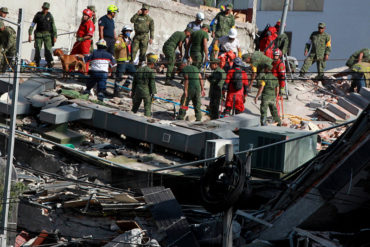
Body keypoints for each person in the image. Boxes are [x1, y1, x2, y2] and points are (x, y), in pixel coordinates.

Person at [28, 2, 57, 68]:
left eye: (46, 9)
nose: (45, 10)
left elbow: (53, 26)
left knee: (48, 49)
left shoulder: (50, 15)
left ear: (48, 9)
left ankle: (49, 63)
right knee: (38, 48)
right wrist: (30, 34)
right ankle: (37, 62)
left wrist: (55, 36)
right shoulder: (38, 15)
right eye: (44, 8)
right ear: (42, 7)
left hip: (47, 35)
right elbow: (33, 24)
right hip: (39, 34)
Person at [113, 25, 136, 96]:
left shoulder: (129, 39)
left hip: (128, 61)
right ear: (124, 31)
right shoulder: (119, 39)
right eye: (127, 31)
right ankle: (116, 92)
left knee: (134, 72)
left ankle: (125, 86)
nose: (128, 33)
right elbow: (116, 47)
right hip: (121, 60)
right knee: (119, 76)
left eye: (129, 31)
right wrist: (124, 44)